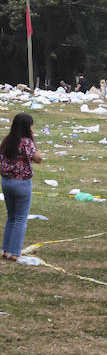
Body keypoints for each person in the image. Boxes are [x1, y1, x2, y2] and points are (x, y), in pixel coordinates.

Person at [1, 112, 44, 261]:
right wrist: (33, 140)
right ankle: (15, 252)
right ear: (27, 127)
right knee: (20, 218)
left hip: (6, 182)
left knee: (11, 217)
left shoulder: (7, 140)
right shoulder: (26, 142)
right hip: (21, 183)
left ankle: (5, 250)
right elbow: (38, 158)